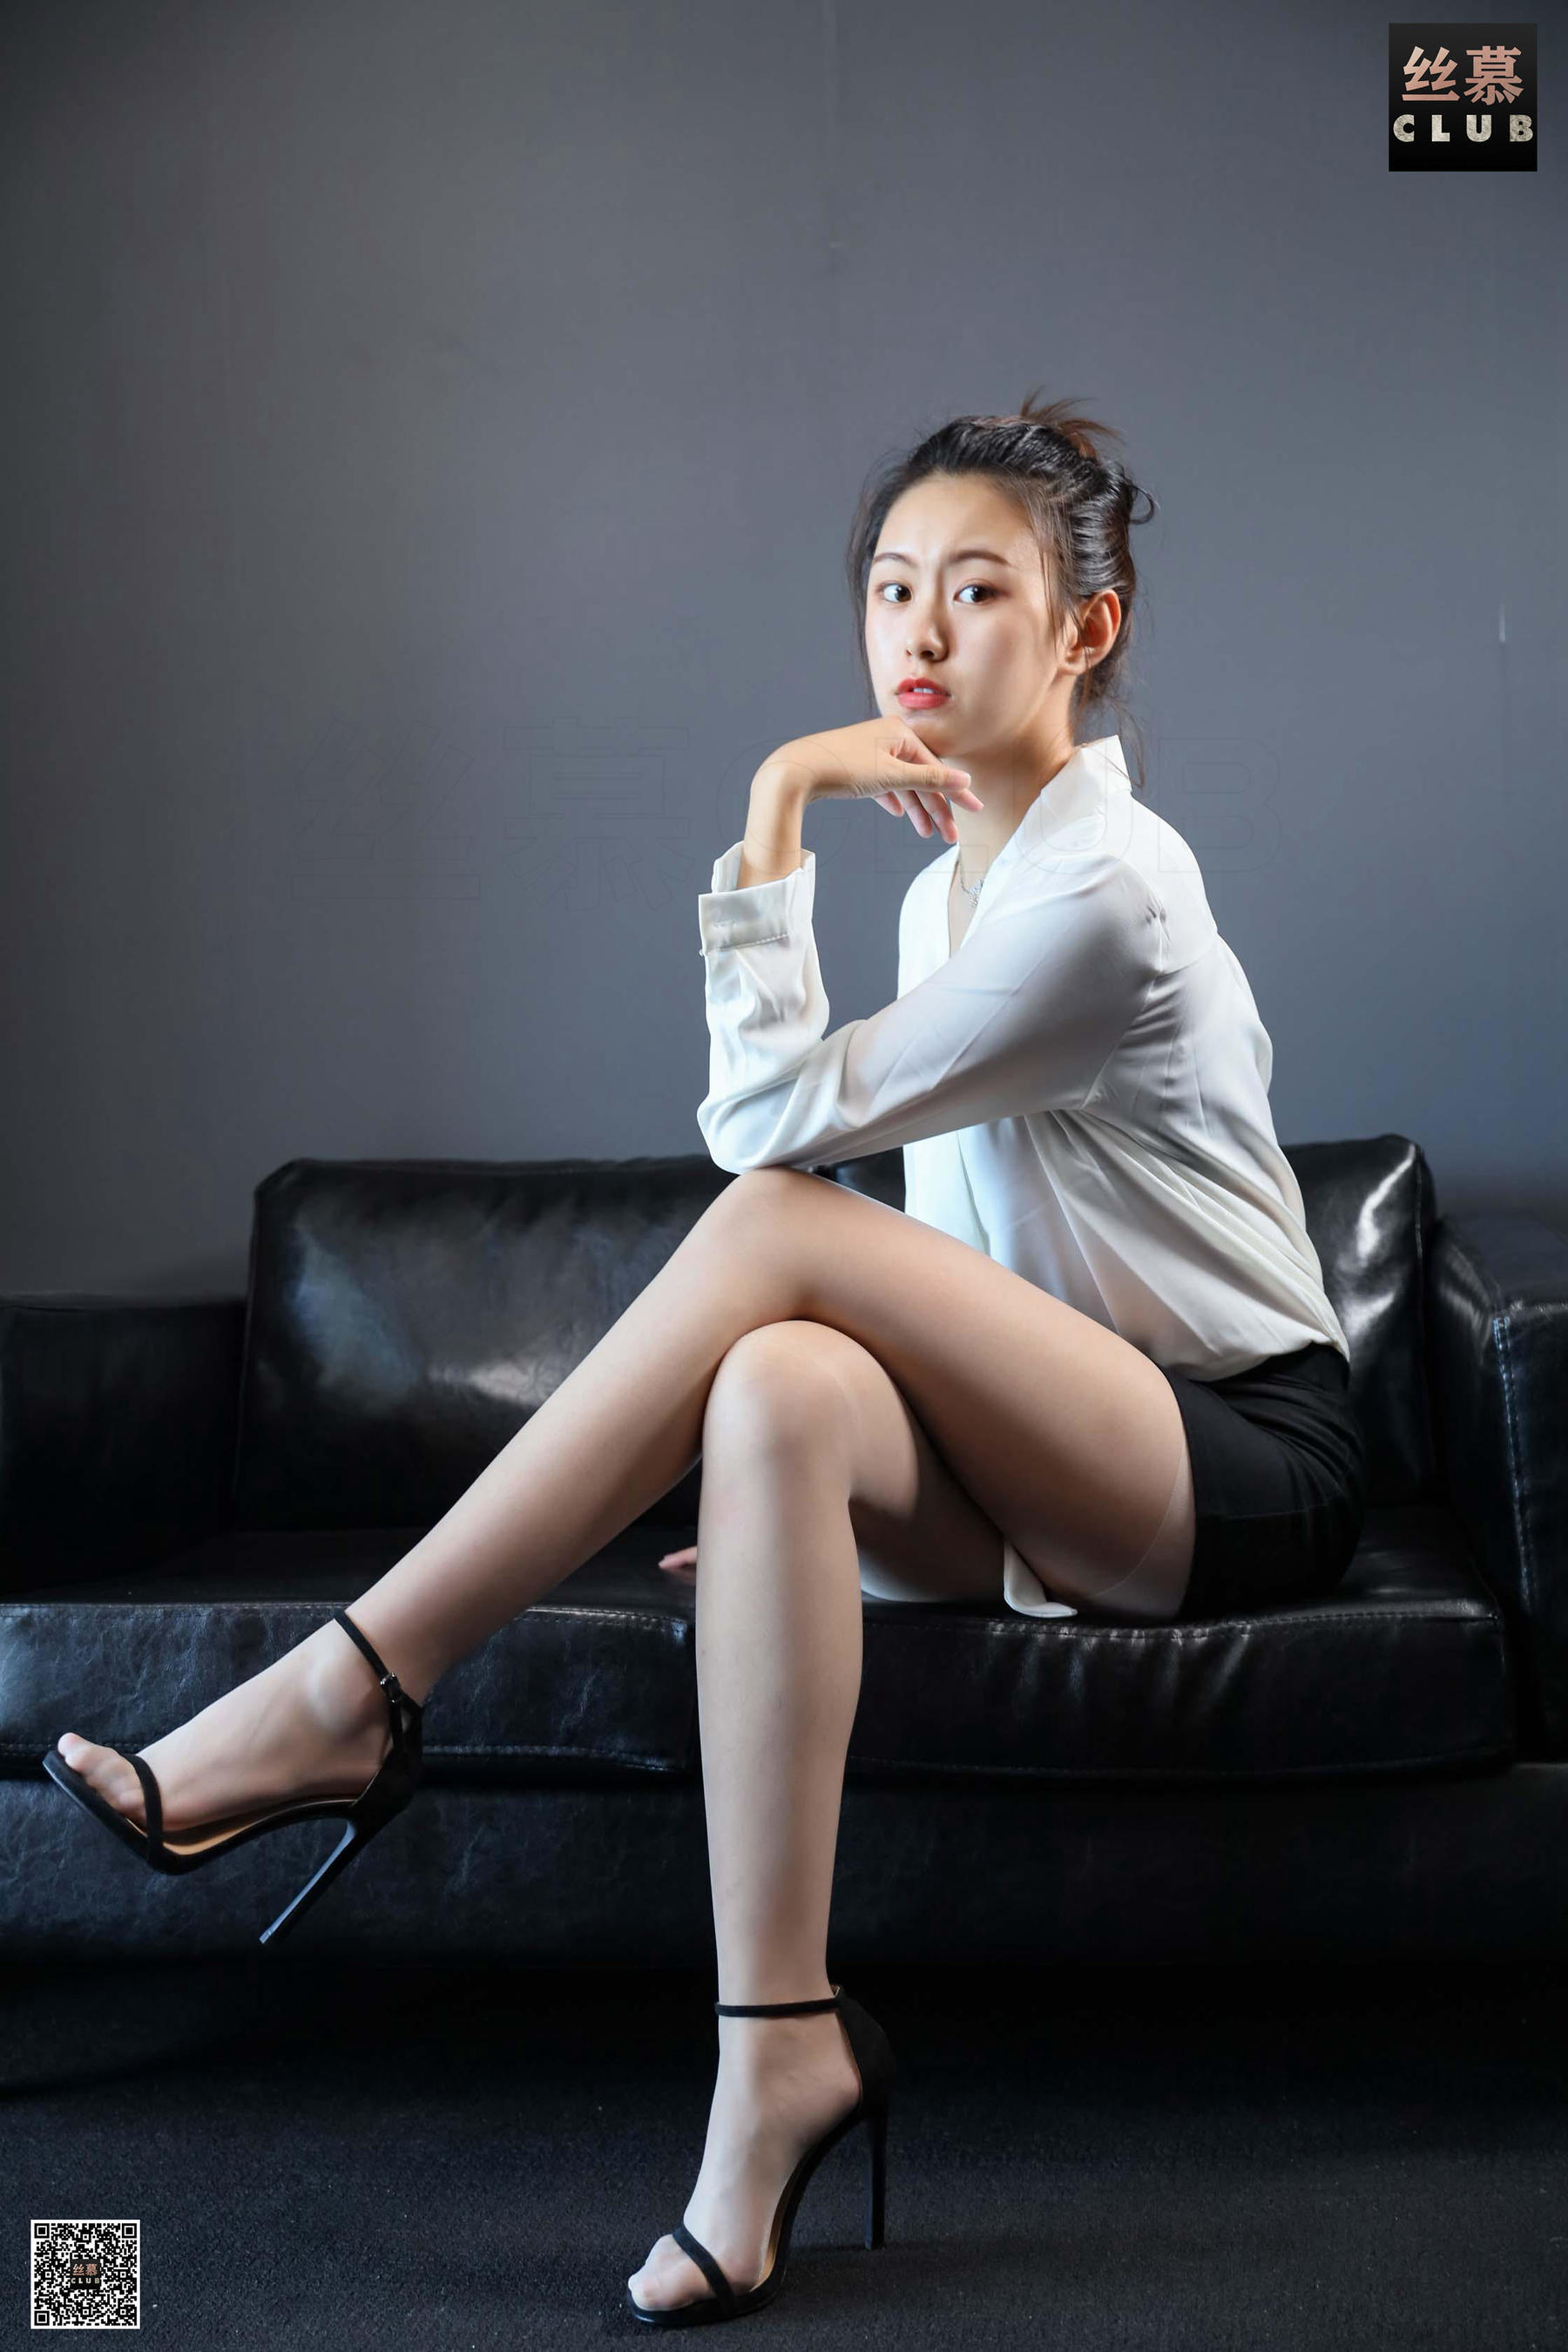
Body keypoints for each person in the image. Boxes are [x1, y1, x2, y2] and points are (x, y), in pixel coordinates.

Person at [43, 392, 1366, 2328]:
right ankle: (777, 2061)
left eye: (977, 590)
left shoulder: (1109, 897)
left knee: (771, 1230)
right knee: (772, 1392)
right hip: (1069, 1456)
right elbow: (971, 1253)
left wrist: (774, 797)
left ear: (1086, 629)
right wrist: (794, 1519)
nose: (917, 634)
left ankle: (352, 1687)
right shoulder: (948, 890)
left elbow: (768, 1142)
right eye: (891, 588)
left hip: (1241, 1459)